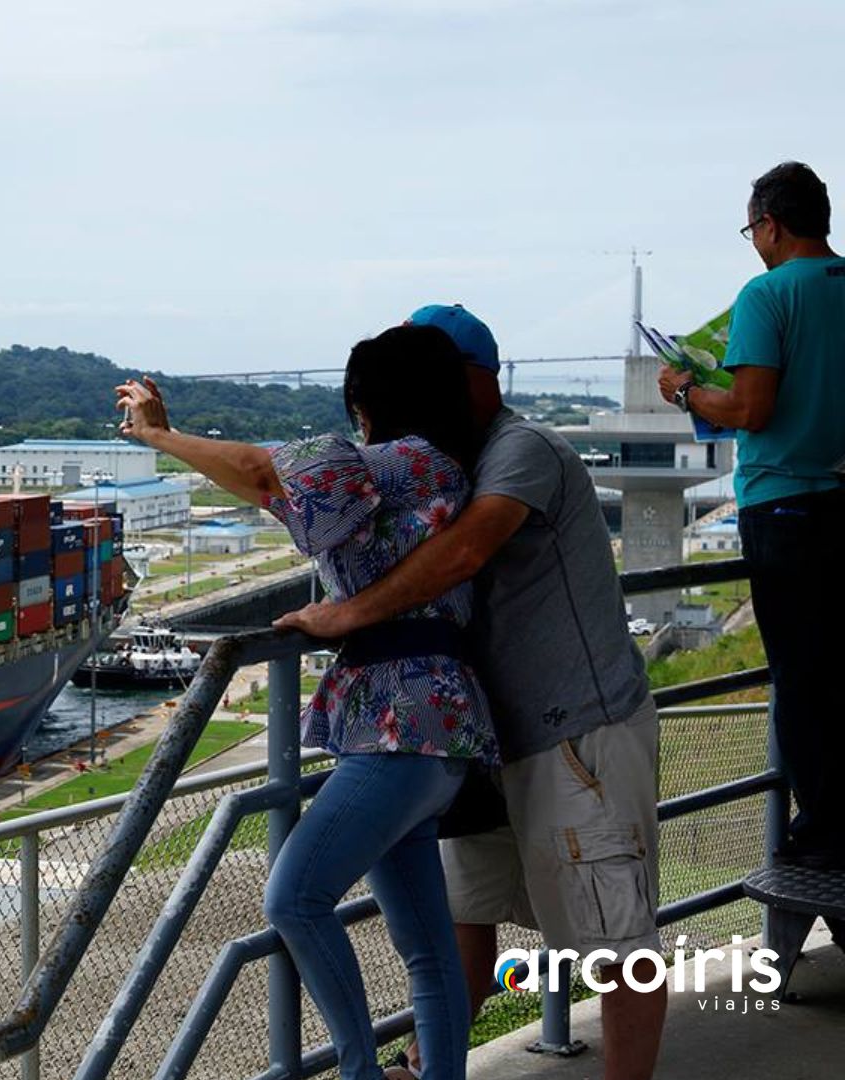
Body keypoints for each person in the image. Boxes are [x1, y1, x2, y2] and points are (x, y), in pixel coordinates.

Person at [276, 304, 667, 1080]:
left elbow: (465, 552)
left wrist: (344, 616)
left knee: (614, 946)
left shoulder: (522, 449)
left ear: (470, 379)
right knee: (460, 923)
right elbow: (291, 486)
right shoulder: (437, 461)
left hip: (574, 732)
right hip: (483, 737)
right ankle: (426, 1066)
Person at [118, 324, 500, 1080]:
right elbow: (274, 490)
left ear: (368, 402)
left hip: (400, 724)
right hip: (434, 728)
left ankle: (359, 1072)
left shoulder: (404, 464)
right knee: (427, 951)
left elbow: (267, 472)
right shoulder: (430, 472)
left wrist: (160, 436)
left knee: (294, 898)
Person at [659, 161, 845, 869]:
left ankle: (824, 833)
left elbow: (749, 408)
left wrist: (686, 390)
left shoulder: (767, 294)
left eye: (751, 230)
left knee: (799, 676)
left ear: (770, 224)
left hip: (784, 506)